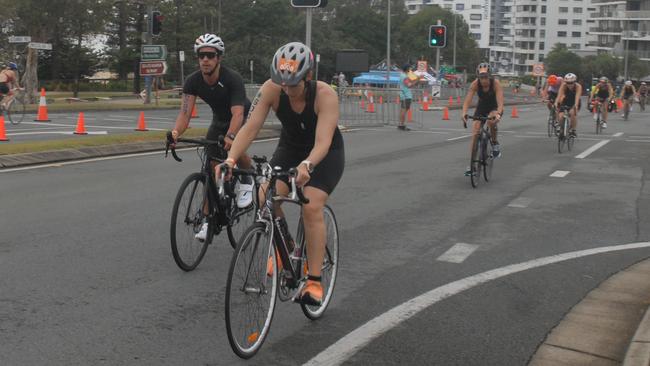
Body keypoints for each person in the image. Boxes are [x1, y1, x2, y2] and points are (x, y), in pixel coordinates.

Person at [219, 41, 344, 306]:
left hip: (324, 153)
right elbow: (250, 128)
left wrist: (307, 165)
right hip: (290, 148)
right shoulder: (271, 89)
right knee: (266, 196)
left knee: (310, 205)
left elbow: (322, 142)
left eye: (293, 83)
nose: (286, 89)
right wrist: (230, 160)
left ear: (308, 76)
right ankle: (284, 245)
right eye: (281, 83)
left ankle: (314, 281)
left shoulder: (325, 95)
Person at [170, 33, 253, 240]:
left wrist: (232, 136)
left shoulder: (231, 78)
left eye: (210, 55)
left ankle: (247, 178)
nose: (205, 59)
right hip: (219, 119)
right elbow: (185, 114)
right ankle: (207, 220)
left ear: (219, 58)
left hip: (242, 116)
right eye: (201, 55)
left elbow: (238, 114)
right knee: (210, 169)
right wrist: (175, 133)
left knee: (234, 147)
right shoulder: (193, 81)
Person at [461, 62, 504, 175]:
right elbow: (467, 101)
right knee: (475, 132)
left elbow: (500, 102)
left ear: (490, 76)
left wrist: (498, 114)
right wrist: (464, 113)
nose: (483, 80)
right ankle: (472, 165)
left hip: (494, 106)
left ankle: (494, 143)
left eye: (485, 77)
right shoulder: (475, 84)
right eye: (481, 77)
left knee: (491, 121)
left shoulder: (496, 84)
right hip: (482, 106)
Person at [555, 73, 583, 137]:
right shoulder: (564, 85)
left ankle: (573, 130)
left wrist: (575, 105)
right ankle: (561, 127)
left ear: (575, 82)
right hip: (566, 101)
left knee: (572, 113)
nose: (569, 84)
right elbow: (559, 95)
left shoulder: (578, 86)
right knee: (561, 116)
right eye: (568, 83)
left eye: (571, 83)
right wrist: (556, 103)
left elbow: (577, 97)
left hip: (575, 101)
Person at [398, 64, 414, 131]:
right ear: (407, 69)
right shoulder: (404, 76)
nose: (410, 70)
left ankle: (401, 124)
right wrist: (417, 80)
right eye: (409, 68)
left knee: (402, 110)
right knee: (404, 111)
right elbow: (408, 85)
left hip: (403, 95)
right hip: (406, 95)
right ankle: (402, 125)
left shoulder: (402, 75)